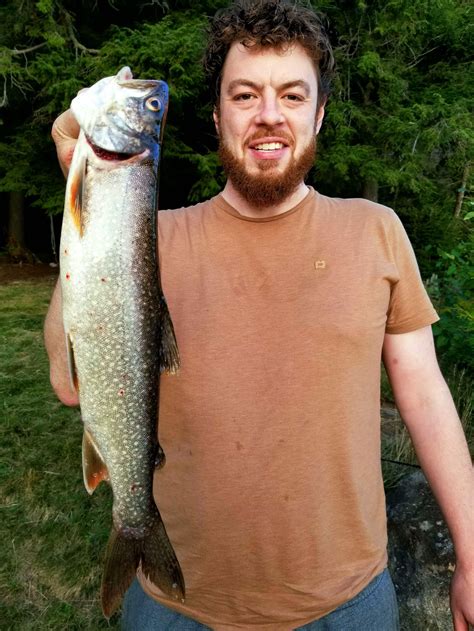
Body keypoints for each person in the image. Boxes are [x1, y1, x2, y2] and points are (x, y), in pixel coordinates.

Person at [45, 1, 473, 629]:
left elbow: (427, 397)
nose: (268, 114)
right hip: (176, 605)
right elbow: (66, 379)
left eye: (292, 95)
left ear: (319, 113)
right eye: (244, 95)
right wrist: (85, 199)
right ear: (218, 115)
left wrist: (471, 548)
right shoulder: (144, 239)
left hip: (349, 602)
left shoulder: (376, 232)